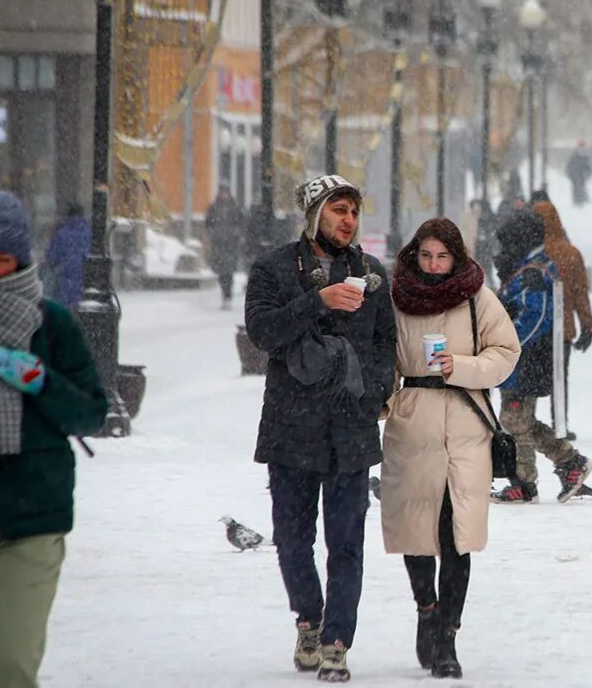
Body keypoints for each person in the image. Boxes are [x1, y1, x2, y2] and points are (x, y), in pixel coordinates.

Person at [244, 174, 396, 682]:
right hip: (291, 425)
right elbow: (262, 333)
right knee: (291, 539)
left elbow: (383, 343)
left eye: (353, 212)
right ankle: (309, 620)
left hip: (350, 430)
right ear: (314, 215)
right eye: (338, 211)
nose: (348, 221)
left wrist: (374, 391)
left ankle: (336, 641)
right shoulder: (272, 268)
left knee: (347, 541)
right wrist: (319, 300)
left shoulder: (371, 273)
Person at [0, 188, 109, 688]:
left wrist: (40, 380)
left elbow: (90, 414)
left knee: (7, 667)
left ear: (20, 260)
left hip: (32, 519)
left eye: (1, 259)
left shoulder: (51, 324)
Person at [383, 218, 520, 679]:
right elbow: (382, 356)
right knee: (415, 528)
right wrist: (384, 400)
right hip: (413, 421)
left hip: (465, 421)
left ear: (456, 256)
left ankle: (448, 636)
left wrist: (460, 366)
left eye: (442, 256)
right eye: (426, 256)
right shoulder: (397, 297)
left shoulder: (477, 297)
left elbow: (506, 352)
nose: (434, 265)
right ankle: (426, 608)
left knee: (455, 533)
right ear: (413, 255)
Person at [490, 210, 592, 503]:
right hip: (525, 362)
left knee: (513, 420)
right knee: (520, 420)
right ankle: (569, 461)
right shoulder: (531, 267)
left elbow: (535, 317)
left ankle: (524, 482)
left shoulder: (533, 273)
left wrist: (507, 344)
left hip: (525, 362)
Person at [534, 201, 592, 440]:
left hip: (534, 329)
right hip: (563, 328)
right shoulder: (570, 253)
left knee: (529, 379)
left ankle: (525, 421)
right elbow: (581, 292)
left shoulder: (531, 253)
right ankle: (560, 421)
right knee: (560, 378)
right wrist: (587, 325)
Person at [205, 186, 247, 309]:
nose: (224, 195)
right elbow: (208, 224)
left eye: (226, 193)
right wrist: (214, 234)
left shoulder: (235, 208)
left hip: (231, 245)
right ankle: (225, 295)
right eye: (222, 193)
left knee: (229, 272)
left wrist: (236, 234)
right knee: (221, 272)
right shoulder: (214, 208)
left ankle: (228, 296)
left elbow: (241, 223)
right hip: (218, 245)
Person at [44, 201, 91, 307]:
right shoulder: (89, 233)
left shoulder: (61, 233)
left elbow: (52, 257)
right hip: (84, 277)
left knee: (65, 308)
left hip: (64, 277)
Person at [565, 141, 592, 207]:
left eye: (583, 147)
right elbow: (569, 166)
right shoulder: (574, 156)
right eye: (581, 146)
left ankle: (581, 201)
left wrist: (588, 174)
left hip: (582, 176)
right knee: (575, 188)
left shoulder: (585, 156)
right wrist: (571, 175)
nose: (582, 148)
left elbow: (588, 167)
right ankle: (576, 201)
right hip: (575, 176)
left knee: (582, 188)